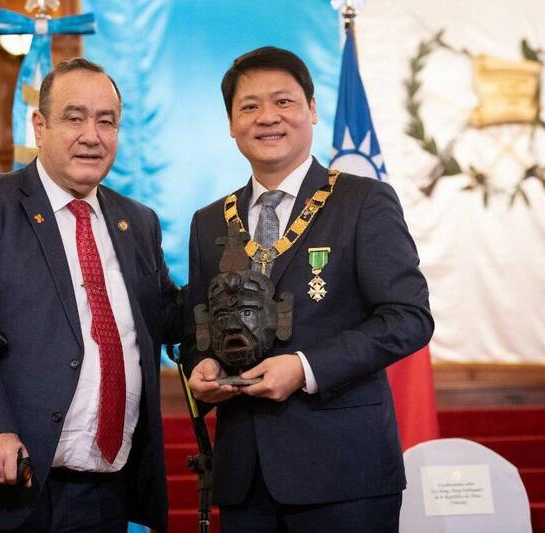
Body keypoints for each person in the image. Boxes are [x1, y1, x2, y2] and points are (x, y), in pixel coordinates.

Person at [0, 58, 180, 532]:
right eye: (74, 118)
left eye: (106, 121)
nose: (91, 136)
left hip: (106, 492)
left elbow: (168, 316)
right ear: (40, 126)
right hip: (5, 485)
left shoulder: (138, 222)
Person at [182, 46, 434, 532]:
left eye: (284, 102)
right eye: (249, 106)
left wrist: (304, 368)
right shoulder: (208, 220)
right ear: (231, 123)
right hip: (244, 478)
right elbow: (198, 329)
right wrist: (202, 366)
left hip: (345, 475)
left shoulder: (363, 201)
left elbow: (409, 318)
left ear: (312, 110)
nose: (267, 118)